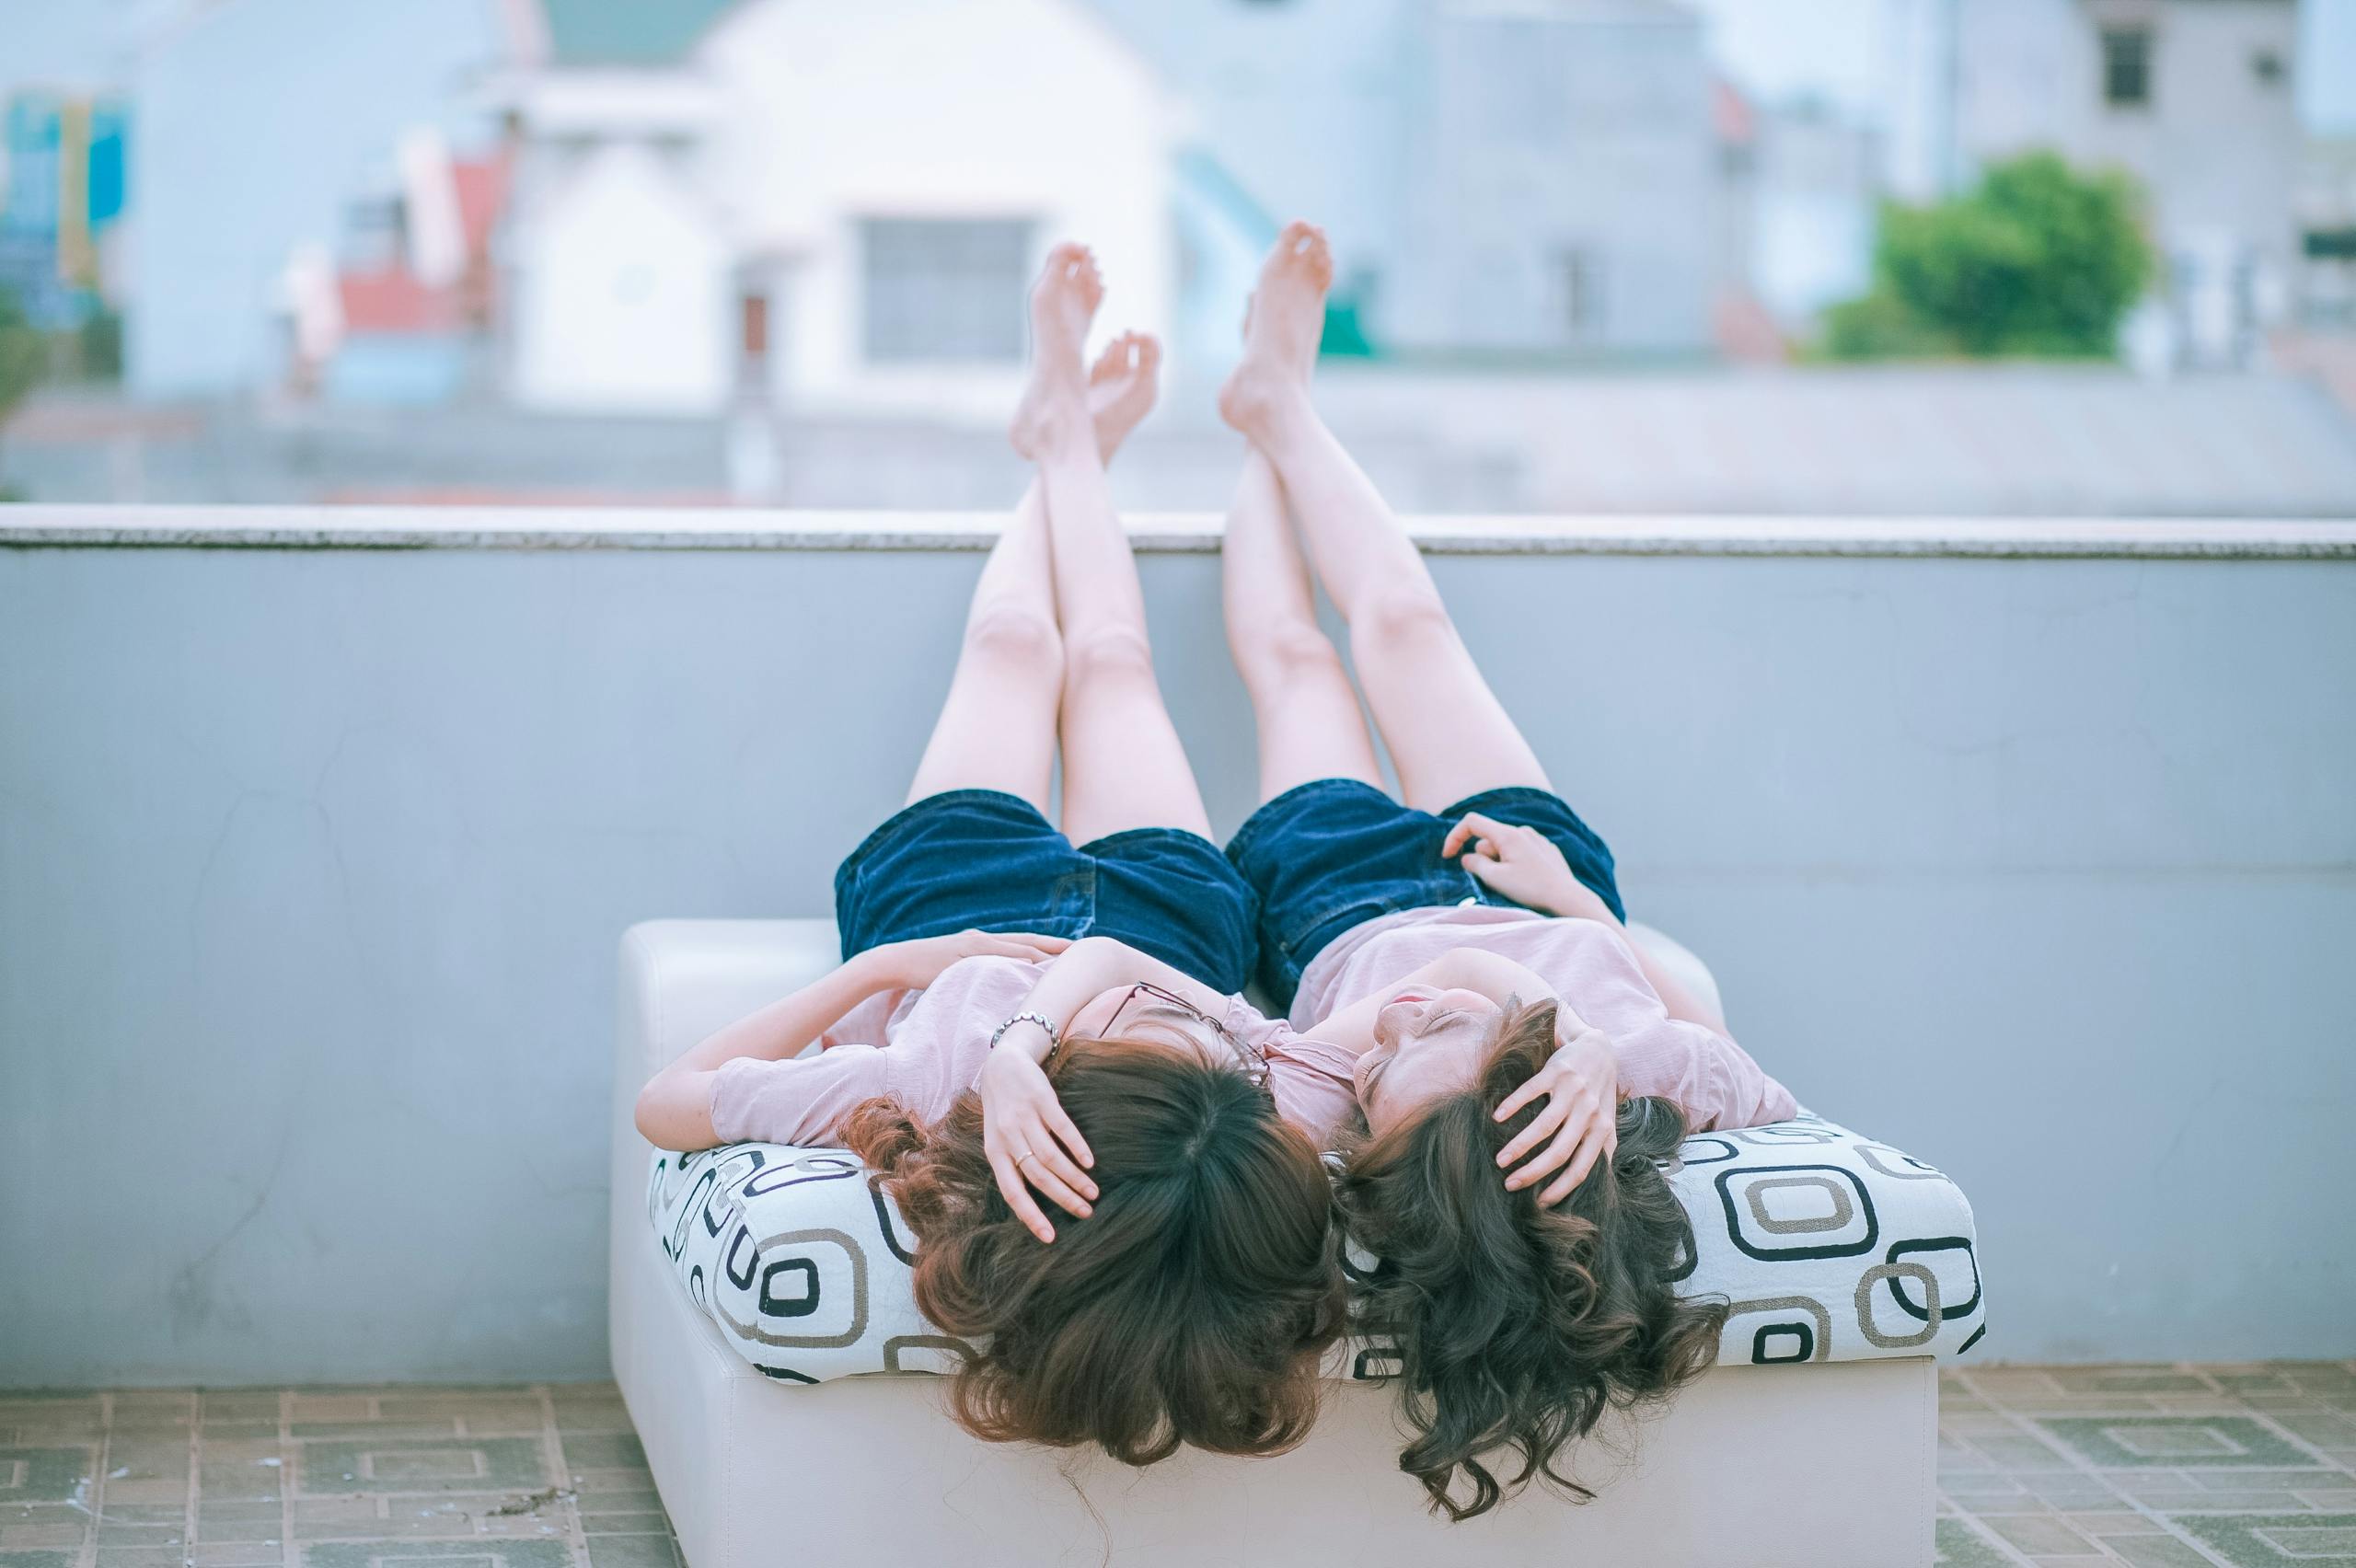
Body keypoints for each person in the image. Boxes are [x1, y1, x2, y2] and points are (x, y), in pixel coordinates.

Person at [634, 244, 1344, 1467]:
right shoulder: (1254, 1124)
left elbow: (668, 1104)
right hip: (1169, 915)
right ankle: (1072, 442)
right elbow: (1258, 1006)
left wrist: (885, 973)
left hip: (956, 903)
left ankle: (1062, 433)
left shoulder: (924, 1092)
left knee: (1019, 641)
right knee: (1113, 662)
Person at [1215, 220, 1800, 1518]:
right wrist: (1583, 924)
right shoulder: (1623, 1083)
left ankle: (1257, 427)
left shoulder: (1326, 1119)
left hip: (1339, 902)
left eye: (1388, 1059)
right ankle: (1283, 405)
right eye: (1463, 1042)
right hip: (1538, 876)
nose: (1424, 1013)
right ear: (1541, 1098)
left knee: (1301, 665)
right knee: (1408, 621)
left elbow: (1242, 1080)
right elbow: (1754, 1082)